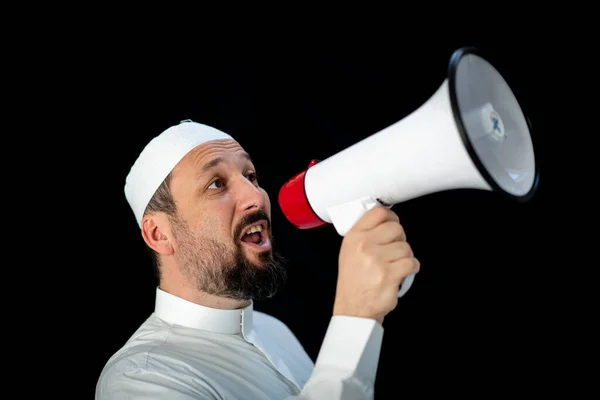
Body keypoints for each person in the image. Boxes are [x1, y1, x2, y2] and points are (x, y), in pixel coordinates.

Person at [95, 120, 420, 399]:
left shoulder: (274, 331)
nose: (256, 196)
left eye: (250, 175)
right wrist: (356, 317)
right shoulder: (140, 378)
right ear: (159, 235)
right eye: (216, 184)